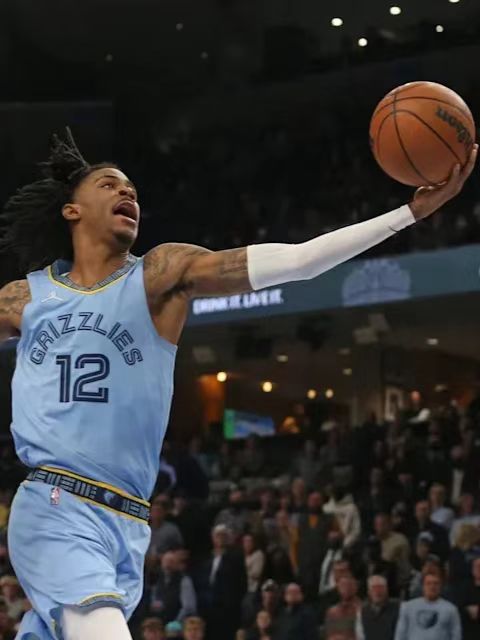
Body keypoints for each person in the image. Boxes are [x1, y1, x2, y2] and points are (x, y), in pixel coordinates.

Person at [0, 132, 475, 640]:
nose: (127, 192)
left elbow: (298, 261)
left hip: (128, 522)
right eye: (109, 184)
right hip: (56, 506)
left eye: (132, 187)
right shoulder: (24, 298)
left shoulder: (160, 275)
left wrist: (408, 214)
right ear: (71, 210)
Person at [394, 573, 461, 640]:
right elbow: (400, 634)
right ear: (423, 586)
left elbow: (456, 636)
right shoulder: (408, 607)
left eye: (436, 583)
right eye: (428, 583)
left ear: (441, 586)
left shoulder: (451, 609)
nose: (432, 586)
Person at [148, 550, 197, 623]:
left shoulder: (184, 580)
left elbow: (188, 607)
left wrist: (176, 622)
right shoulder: (158, 580)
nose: (167, 565)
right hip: (158, 621)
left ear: (177, 564)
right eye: (165, 561)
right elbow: (153, 599)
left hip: (178, 622)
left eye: (171, 562)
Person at [360, 575, 399, 640]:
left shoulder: (398, 607)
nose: (377, 591)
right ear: (368, 592)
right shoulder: (363, 611)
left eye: (381, 587)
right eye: (374, 588)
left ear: (386, 590)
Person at [324, 575, 361, 640]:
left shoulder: (363, 609)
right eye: (343, 585)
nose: (346, 588)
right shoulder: (332, 612)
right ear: (338, 588)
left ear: (356, 587)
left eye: (349, 585)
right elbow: (329, 635)